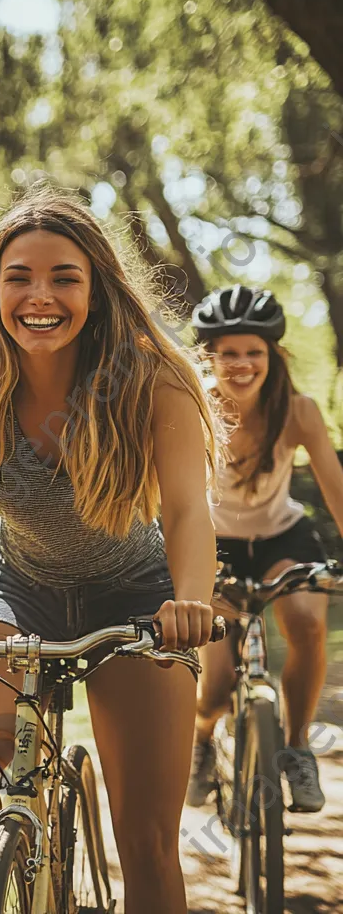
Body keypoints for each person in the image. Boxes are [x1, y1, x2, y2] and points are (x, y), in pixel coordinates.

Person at [0, 191, 222, 914]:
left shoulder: (153, 377)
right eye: (19, 276)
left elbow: (186, 508)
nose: (40, 295)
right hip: (20, 590)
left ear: (98, 289)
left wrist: (191, 604)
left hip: (138, 596)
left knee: (147, 840)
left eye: (64, 276)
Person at [186, 284, 343, 813]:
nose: (242, 363)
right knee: (214, 686)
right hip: (213, 543)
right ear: (208, 356)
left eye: (254, 351)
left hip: (282, 537)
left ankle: (297, 747)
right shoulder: (191, 407)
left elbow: (335, 489)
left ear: (273, 355)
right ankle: (202, 741)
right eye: (228, 352)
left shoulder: (297, 411)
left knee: (307, 621)